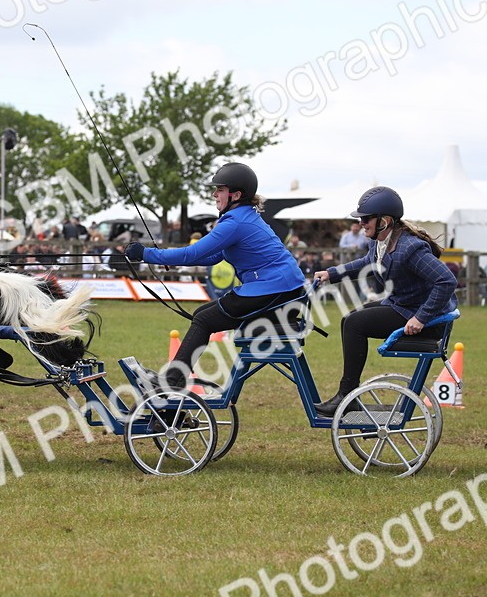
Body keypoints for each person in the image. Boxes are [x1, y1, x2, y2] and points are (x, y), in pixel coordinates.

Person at [124, 162, 306, 390]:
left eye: (219, 189)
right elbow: (212, 256)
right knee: (202, 315)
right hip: (282, 289)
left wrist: (146, 254)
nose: (214, 194)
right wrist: (167, 259)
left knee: (204, 319)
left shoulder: (235, 222)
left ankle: (171, 382)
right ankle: (174, 379)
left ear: (236, 194)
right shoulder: (243, 217)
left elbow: (194, 252)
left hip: (273, 289)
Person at [312, 186, 457, 416]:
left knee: (354, 324)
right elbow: (366, 263)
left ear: (385, 220)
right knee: (349, 319)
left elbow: (446, 281)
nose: (361, 223)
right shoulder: (380, 240)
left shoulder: (410, 247)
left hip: (423, 319)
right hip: (403, 306)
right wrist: (332, 274)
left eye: (366, 218)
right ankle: (348, 394)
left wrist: (421, 317)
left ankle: (346, 395)